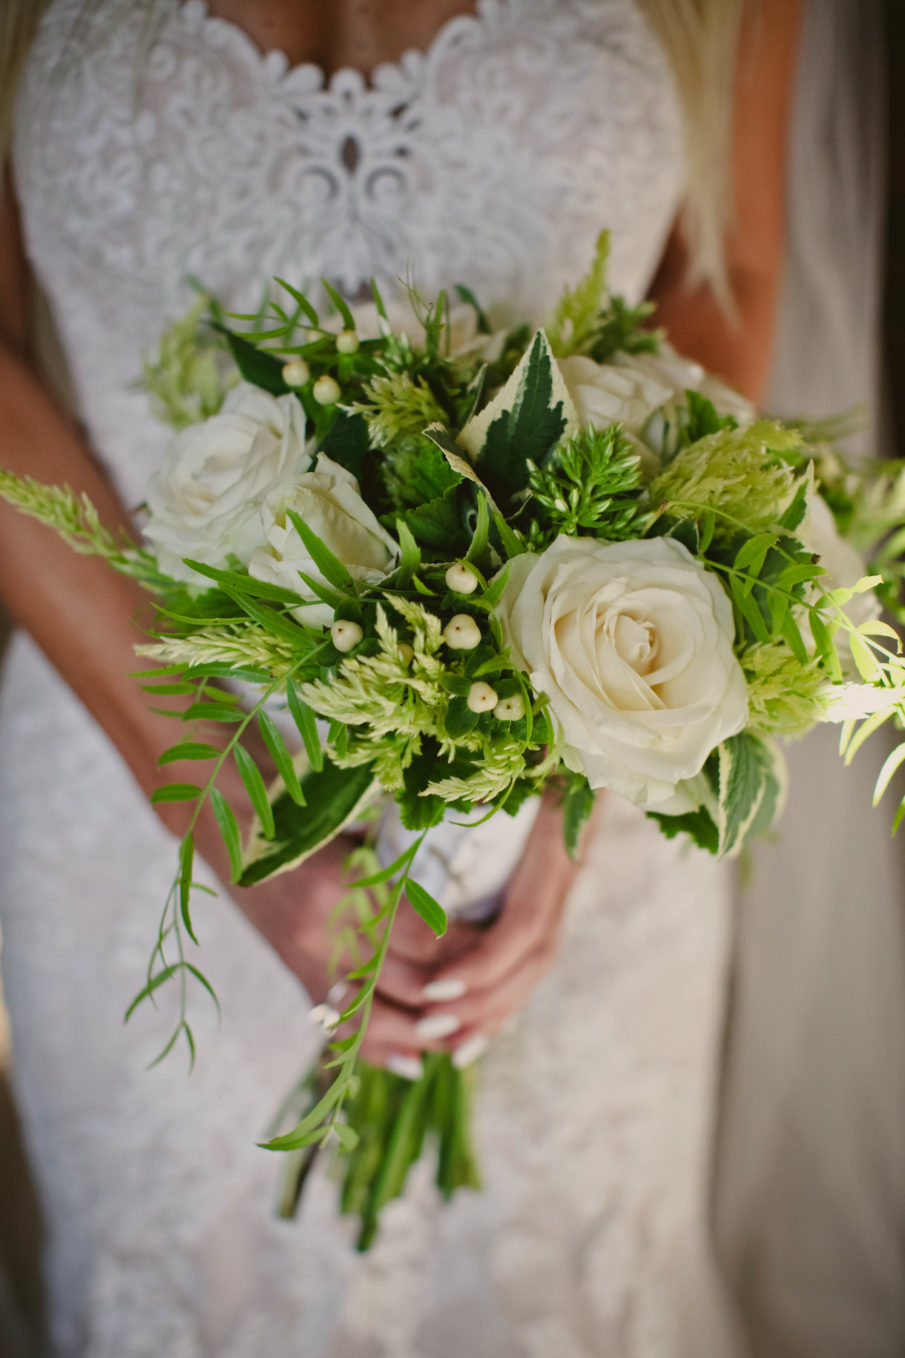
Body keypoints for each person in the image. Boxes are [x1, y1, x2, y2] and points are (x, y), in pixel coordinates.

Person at [0, 1, 801, 1353]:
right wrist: (238, 817)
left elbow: (723, 272)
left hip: (573, 825)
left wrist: (582, 741)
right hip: (138, 775)